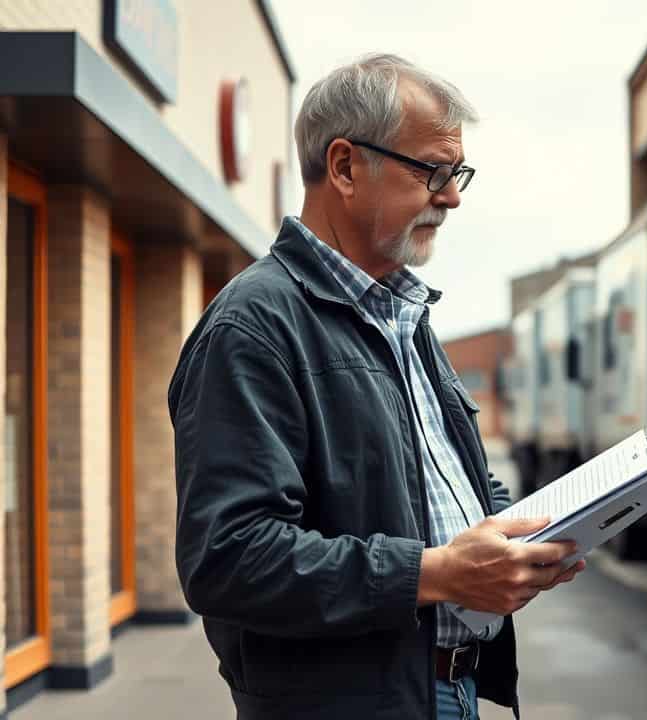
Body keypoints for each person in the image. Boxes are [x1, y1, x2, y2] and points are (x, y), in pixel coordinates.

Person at [169, 53, 584, 720]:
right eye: (432, 172)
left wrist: (524, 536)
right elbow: (230, 557)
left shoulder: (404, 317)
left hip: (445, 691)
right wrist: (435, 574)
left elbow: (439, 484)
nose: (450, 197)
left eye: (458, 176)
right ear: (344, 166)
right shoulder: (253, 327)